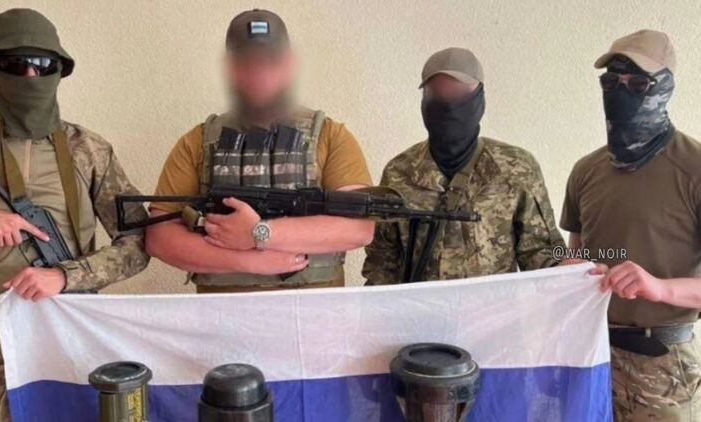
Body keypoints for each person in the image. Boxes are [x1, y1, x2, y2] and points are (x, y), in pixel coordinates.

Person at [0, 9, 150, 420]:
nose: (30, 76)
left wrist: (65, 276)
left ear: (59, 71)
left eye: (42, 65)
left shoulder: (89, 150)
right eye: (14, 64)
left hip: (72, 338)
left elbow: (139, 242)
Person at [146, 9, 373, 293]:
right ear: (230, 68)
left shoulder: (330, 136)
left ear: (289, 65)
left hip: (315, 313)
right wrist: (249, 260)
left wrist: (259, 233)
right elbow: (159, 236)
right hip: (223, 314)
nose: (260, 72)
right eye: (247, 61)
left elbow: (359, 228)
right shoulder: (197, 142)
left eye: (271, 60)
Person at [561, 30, 701, 421]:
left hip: (661, 370)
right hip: (590, 359)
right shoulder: (586, 171)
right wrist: (567, 273)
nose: (621, 92)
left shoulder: (693, 170)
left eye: (638, 84)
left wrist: (659, 287)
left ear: (665, 87)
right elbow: (575, 256)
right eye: (611, 82)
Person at [362, 47, 564, 284]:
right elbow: (382, 265)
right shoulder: (400, 172)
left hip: (493, 308)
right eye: (437, 94)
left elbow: (542, 254)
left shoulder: (516, 168)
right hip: (420, 309)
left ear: (479, 98)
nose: (449, 106)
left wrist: (576, 271)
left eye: (459, 94)